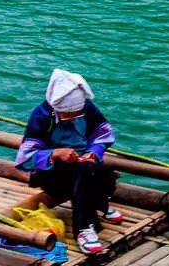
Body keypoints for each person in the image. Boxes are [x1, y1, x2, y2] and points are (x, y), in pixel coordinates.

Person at [15, 68, 123, 254]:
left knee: (101, 172)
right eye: (68, 115)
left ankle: (100, 203)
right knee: (82, 172)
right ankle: (84, 228)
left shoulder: (87, 109)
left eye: (76, 114)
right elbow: (24, 159)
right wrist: (56, 154)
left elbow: (103, 134)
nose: (72, 118)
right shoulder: (42, 116)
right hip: (51, 173)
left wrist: (93, 152)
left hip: (84, 165)